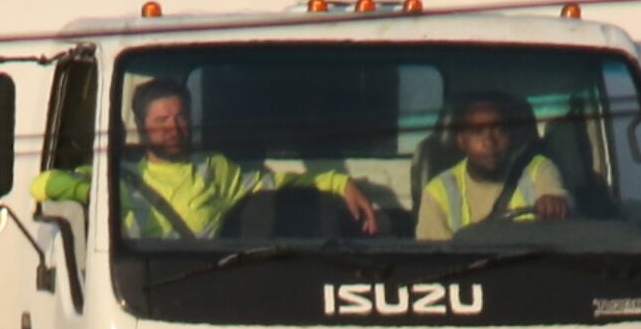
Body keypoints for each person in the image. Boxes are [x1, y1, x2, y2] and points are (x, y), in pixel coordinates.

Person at [64, 78, 387, 238]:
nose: (174, 129)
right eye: (161, 121)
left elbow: (277, 182)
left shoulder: (213, 169)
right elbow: (43, 184)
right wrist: (90, 193)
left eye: (181, 118)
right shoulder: (117, 176)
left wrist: (339, 182)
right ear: (140, 126)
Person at [416, 92, 569, 238]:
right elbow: (437, 257)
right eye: (477, 132)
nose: (489, 142)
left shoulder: (538, 169)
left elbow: (555, 197)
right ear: (462, 141)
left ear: (510, 136)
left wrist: (553, 203)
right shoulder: (437, 192)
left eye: (499, 130)